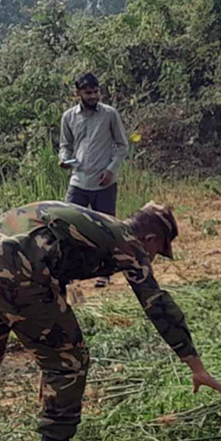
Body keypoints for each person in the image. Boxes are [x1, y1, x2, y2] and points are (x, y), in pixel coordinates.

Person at [0, 201, 221, 441]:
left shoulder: (94, 223)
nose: (151, 258)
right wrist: (195, 365)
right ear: (150, 237)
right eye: (158, 251)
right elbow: (156, 304)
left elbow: (51, 257)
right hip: (15, 265)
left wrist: (44, 352)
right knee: (69, 360)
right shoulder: (128, 242)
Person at [60, 72, 129, 287]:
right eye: (88, 93)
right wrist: (63, 159)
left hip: (104, 182)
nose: (93, 96)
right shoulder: (69, 117)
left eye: (96, 92)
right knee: (67, 225)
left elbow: (122, 145)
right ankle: (68, 272)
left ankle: (104, 272)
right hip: (78, 180)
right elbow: (65, 145)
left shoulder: (110, 114)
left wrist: (110, 170)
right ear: (78, 93)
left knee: (105, 228)